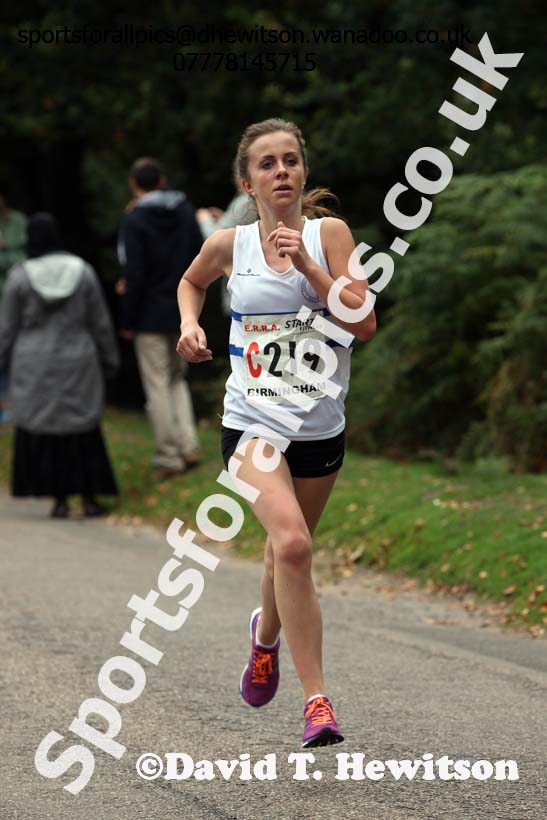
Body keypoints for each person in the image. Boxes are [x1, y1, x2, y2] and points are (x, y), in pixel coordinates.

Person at [176, 119, 376, 747]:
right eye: (268, 163)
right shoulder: (228, 244)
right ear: (249, 181)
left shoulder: (330, 234)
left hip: (318, 427)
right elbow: (191, 282)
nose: (281, 170)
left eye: (291, 160)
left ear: (304, 174)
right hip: (252, 423)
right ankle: (318, 703)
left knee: (283, 549)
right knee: (291, 545)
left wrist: (312, 268)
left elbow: (364, 323)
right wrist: (190, 324)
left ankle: (264, 638)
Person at [0, 213, 120, 518]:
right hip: (79, 358)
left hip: (33, 361)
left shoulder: (20, 276)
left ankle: (59, 499)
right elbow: (100, 323)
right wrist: (110, 360)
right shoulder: (83, 272)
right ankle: (91, 497)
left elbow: (7, 328)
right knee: (82, 428)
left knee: (47, 429)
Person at [118, 157, 204, 478]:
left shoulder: (135, 219)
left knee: (157, 383)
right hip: (184, 309)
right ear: (163, 180)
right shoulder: (184, 211)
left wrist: (127, 318)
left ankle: (169, 455)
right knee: (177, 379)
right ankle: (189, 443)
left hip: (149, 313)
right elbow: (200, 256)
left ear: (133, 184)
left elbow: (135, 272)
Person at [0, 194, 27, 423]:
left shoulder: (18, 221)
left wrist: (5, 247)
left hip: (12, 302)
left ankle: (12, 405)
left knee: (11, 352)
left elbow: (19, 261)